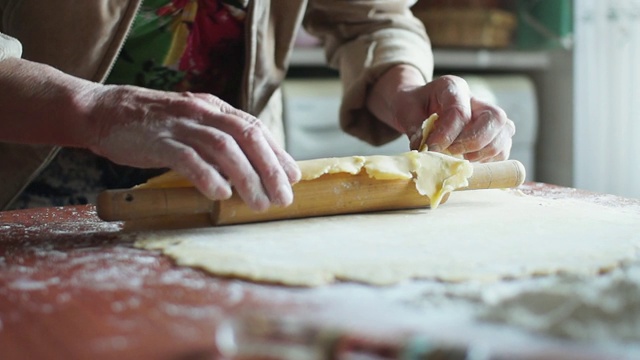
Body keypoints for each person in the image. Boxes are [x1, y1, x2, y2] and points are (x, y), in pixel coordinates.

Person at [0, 0, 514, 212]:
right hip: (22, 175)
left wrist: (404, 90)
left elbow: (369, 17)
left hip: (232, 185)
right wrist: (96, 108)